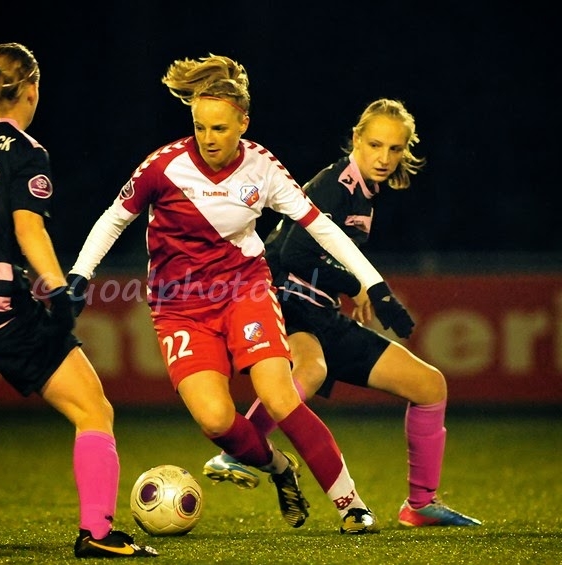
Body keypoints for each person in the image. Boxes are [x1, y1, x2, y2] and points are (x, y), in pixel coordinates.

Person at [67, 55, 414, 534]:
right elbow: (114, 217)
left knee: (279, 396)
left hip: (243, 289)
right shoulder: (163, 166)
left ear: (242, 123)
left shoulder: (262, 168)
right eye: (200, 126)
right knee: (215, 420)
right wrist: (80, 276)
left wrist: (374, 284)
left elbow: (322, 228)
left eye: (220, 128)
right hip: (179, 307)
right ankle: (278, 467)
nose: (208, 138)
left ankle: (350, 504)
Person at [0, 42, 157, 559]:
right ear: (32, 89)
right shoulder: (25, 151)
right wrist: (57, 289)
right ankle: (99, 533)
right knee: (93, 407)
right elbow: (27, 227)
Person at [203, 98, 481, 528]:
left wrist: (351, 287)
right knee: (308, 370)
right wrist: (358, 284)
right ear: (355, 139)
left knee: (429, 385)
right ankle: (237, 453)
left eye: (394, 149)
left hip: (325, 315)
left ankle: (420, 505)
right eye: (375, 145)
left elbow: (324, 256)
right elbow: (294, 250)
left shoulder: (364, 193)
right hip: (287, 301)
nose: (384, 157)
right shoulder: (335, 184)